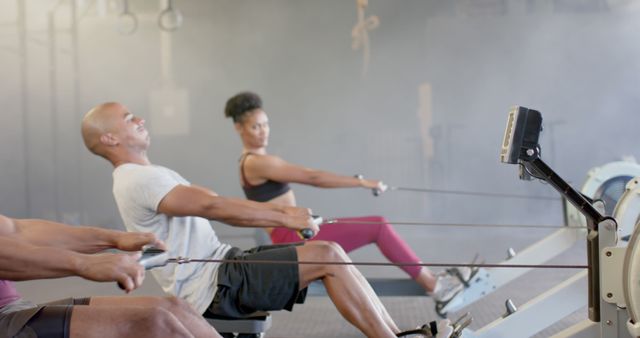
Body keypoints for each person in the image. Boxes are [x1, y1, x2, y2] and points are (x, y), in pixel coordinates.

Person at [81, 101, 454, 338]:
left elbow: (211, 201)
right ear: (111, 138)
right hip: (215, 285)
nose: (141, 118)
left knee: (329, 251)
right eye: (131, 119)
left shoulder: (147, 173)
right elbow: (213, 208)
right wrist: (285, 215)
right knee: (327, 255)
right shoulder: (138, 178)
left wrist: (284, 215)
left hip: (223, 266)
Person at [223, 91, 465, 302]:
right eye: (256, 126)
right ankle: (435, 287)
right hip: (292, 239)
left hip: (293, 234)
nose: (263, 131)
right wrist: (361, 181)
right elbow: (313, 177)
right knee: (378, 226)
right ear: (239, 128)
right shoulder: (257, 162)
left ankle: (433, 281)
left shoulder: (251, 162)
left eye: (266, 124)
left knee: (374, 228)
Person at [0, 213, 222, 338]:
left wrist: (114, 239)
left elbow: (18, 231)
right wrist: (84, 263)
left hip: (15, 309)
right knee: (155, 324)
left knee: (174, 308)